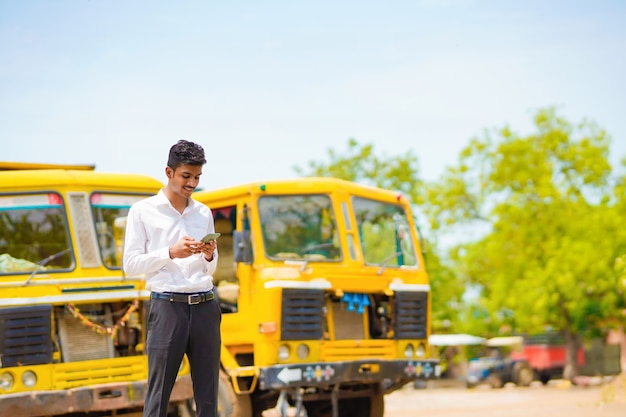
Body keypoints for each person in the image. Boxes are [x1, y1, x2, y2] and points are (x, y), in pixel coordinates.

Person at [123, 140, 221, 417]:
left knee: (208, 398)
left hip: (205, 306)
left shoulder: (203, 212)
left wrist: (209, 255)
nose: (192, 183)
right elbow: (130, 265)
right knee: (157, 399)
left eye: (197, 177)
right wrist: (170, 252)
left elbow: (210, 271)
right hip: (167, 308)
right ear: (169, 172)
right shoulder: (142, 211)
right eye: (186, 176)